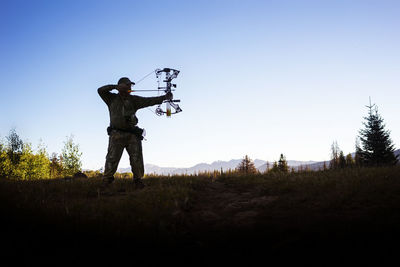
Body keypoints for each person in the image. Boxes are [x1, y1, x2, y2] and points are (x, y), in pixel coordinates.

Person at [98, 77, 172, 188]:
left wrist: (164, 97)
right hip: (116, 134)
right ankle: (107, 180)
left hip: (132, 134)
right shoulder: (111, 98)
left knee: (136, 158)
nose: (129, 87)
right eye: (127, 85)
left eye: (130, 85)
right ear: (120, 86)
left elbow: (149, 101)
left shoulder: (134, 100)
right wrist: (115, 87)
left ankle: (138, 180)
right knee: (112, 158)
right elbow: (100, 90)